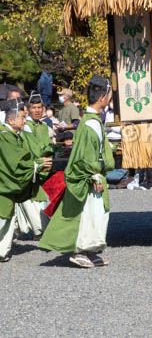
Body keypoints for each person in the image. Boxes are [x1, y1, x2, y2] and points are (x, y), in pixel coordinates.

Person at [39, 75, 115, 268]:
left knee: (97, 213)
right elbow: (88, 156)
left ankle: (90, 250)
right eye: (110, 94)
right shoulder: (90, 124)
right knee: (89, 213)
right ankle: (81, 251)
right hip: (90, 177)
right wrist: (95, 174)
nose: (111, 98)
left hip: (93, 175)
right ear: (102, 98)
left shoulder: (91, 120)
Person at [0, 100, 52, 262]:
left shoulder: (12, 135)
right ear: (10, 120)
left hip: (6, 186)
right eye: (22, 117)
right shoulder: (5, 137)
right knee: (3, 218)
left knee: (7, 218)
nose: (24, 120)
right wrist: (37, 164)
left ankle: (3, 251)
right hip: (3, 186)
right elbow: (16, 163)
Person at [16, 92, 54, 239]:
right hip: (33, 166)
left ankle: (41, 228)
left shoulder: (44, 126)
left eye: (39, 107)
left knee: (42, 198)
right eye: (34, 107)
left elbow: (48, 145)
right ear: (28, 109)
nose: (37, 110)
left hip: (45, 165)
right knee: (33, 199)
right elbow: (33, 148)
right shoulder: (26, 127)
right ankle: (39, 229)